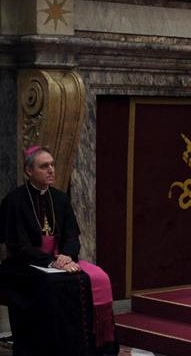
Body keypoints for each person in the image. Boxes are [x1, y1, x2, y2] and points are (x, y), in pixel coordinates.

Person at [0, 145, 119, 356]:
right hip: (24, 264)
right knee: (52, 283)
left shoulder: (60, 198)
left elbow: (72, 236)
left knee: (100, 277)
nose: (51, 170)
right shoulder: (15, 201)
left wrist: (65, 255)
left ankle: (92, 347)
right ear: (29, 171)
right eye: (44, 166)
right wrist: (49, 261)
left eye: (53, 165)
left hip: (60, 259)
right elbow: (19, 246)